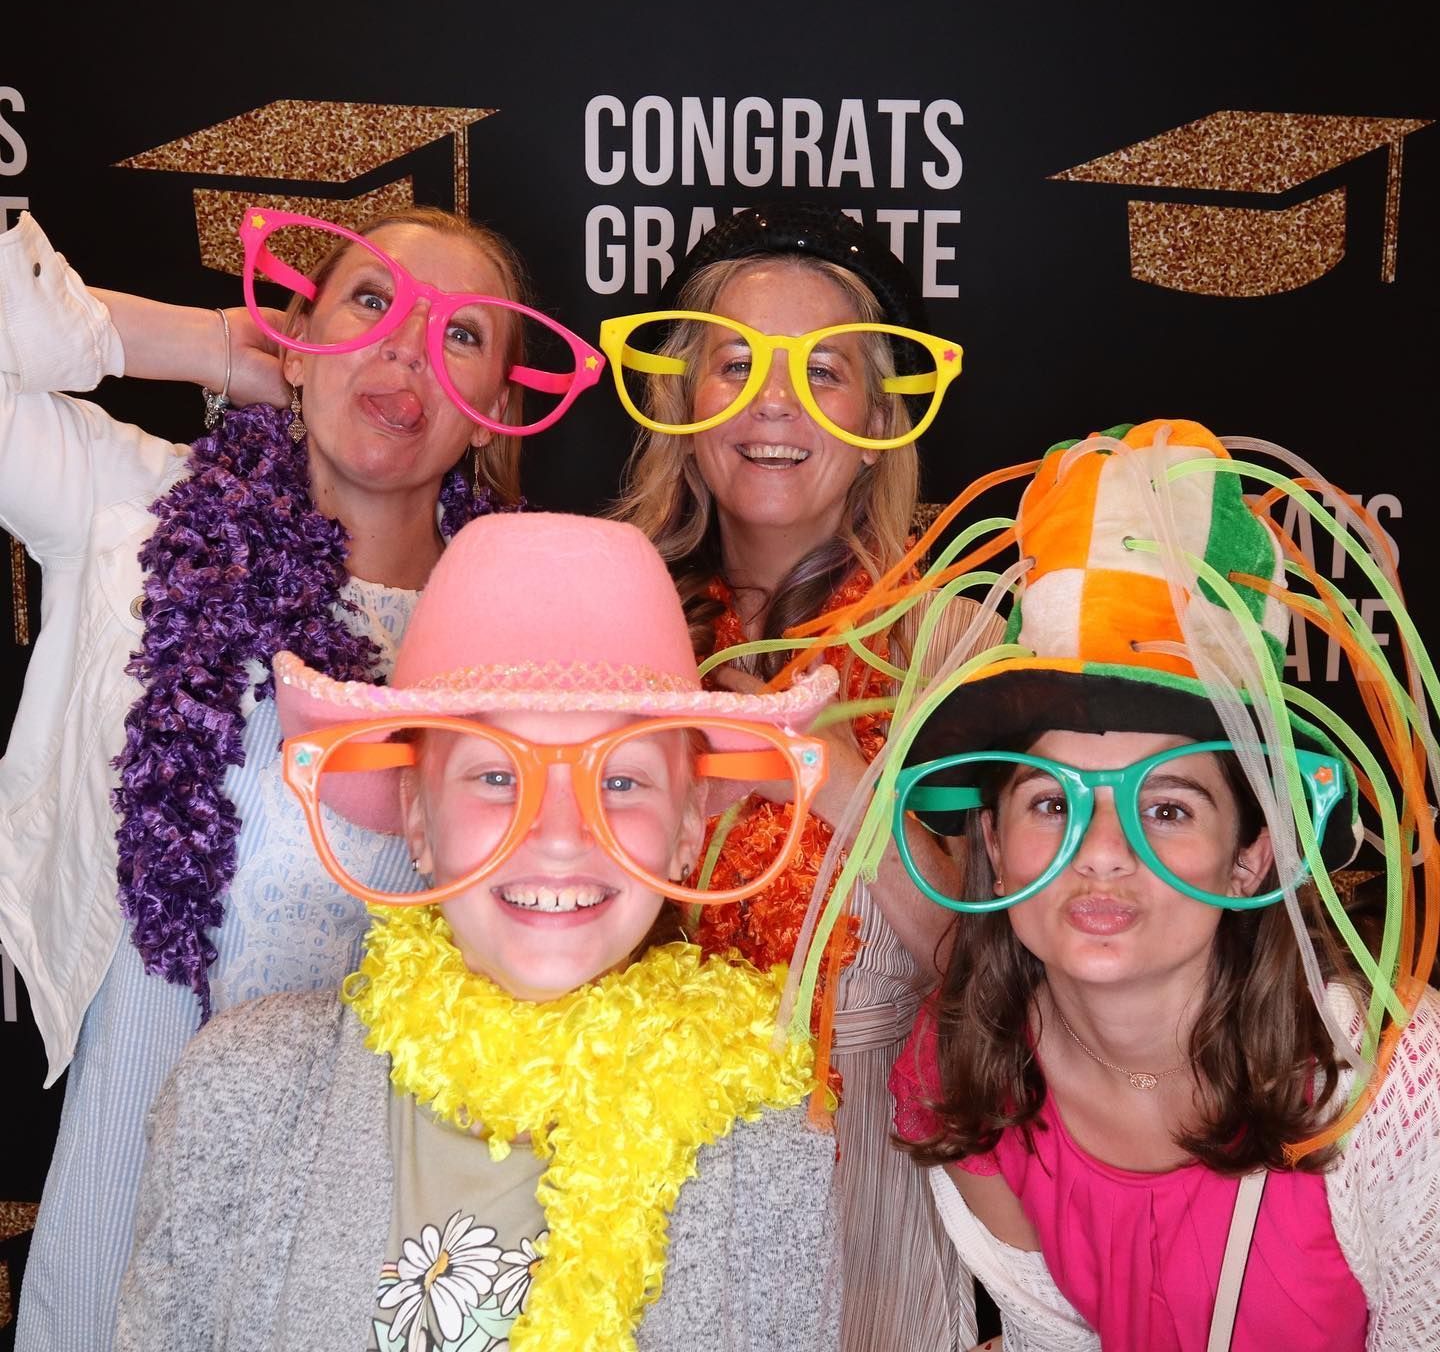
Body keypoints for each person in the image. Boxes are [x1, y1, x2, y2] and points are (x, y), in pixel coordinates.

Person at [0, 205, 601, 1349]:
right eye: (371, 304)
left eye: (461, 335)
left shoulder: (529, 637)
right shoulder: (143, 520)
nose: (406, 352)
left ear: (495, 410)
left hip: (380, 1192)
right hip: (138, 1123)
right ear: (303, 337)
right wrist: (213, 350)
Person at [114, 511, 841, 1351]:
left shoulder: (772, 1151)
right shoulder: (238, 1092)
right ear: (417, 817)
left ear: (686, 829)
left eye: (623, 780)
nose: (562, 833)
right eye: (497, 775)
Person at [872, 420, 1440, 1349]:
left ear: (1251, 855)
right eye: (1052, 804)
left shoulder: (1390, 1089)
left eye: (1168, 809)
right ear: (993, 840)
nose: (1102, 852)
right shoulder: (961, 1070)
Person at [607, 201, 998, 1350]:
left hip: (869, 1195)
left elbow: (992, 964)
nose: (769, 402)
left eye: (820, 371)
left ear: (879, 413)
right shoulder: (614, 625)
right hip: (639, 1192)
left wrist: (830, 780)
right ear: (681, 402)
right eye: (734, 364)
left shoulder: (954, 646)